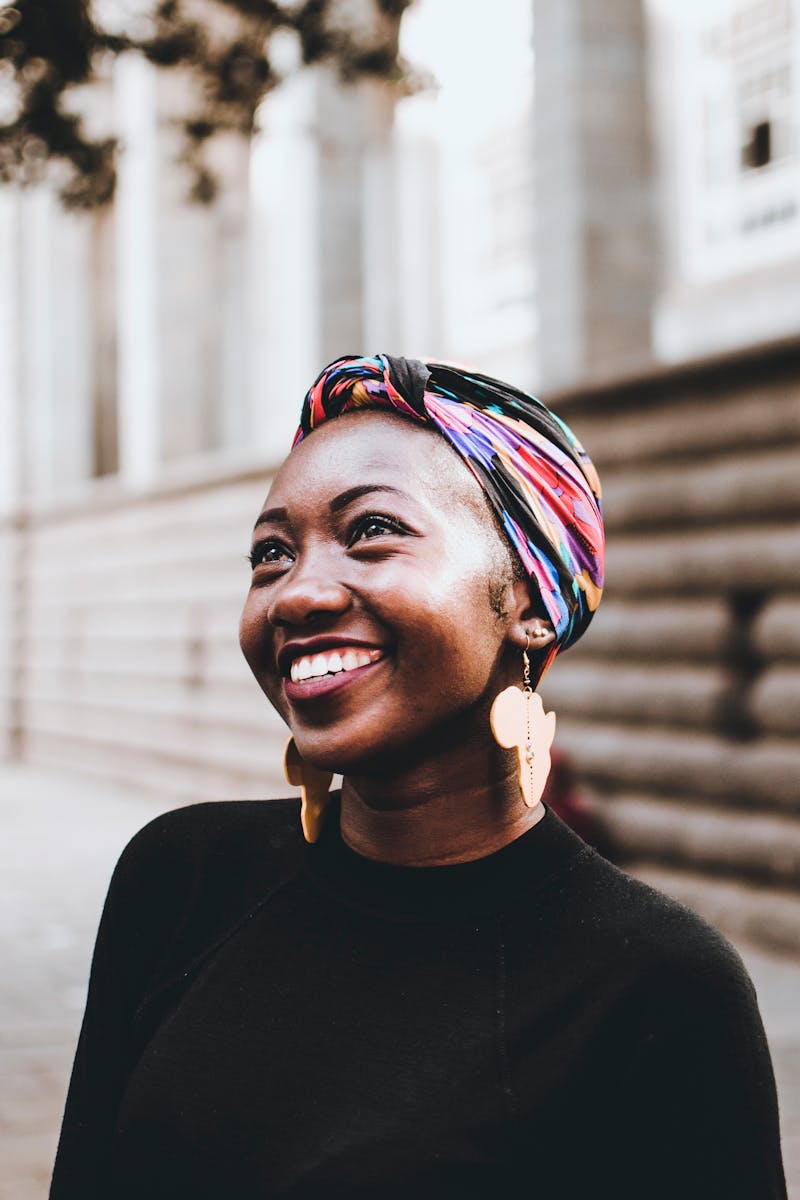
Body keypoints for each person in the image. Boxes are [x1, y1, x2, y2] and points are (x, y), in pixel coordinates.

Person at [50, 354, 787, 1199]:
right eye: (271, 554)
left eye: (371, 532)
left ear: (530, 602)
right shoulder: (179, 879)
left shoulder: (658, 989)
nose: (296, 593)